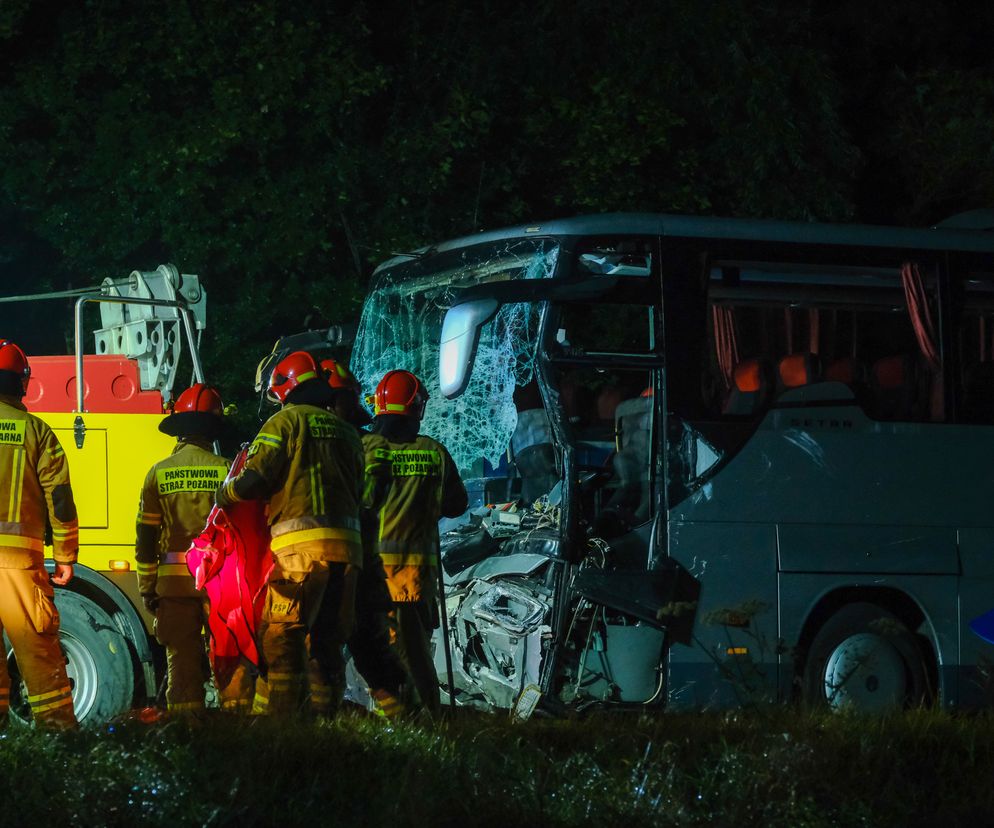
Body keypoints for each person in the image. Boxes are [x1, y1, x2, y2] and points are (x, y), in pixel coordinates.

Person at [216, 350, 363, 716]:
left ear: (284, 388)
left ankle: (283, 729)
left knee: (282, 638)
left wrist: (225, 493)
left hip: (301, 553)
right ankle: (326, 726)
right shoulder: (348, 433)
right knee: (327, 645)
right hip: (348, 553)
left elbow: (255, 480)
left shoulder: (284, 423)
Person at [363, 369, 468, 717]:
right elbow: (457, 504)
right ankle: (428, 718)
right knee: (416, 652)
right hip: (415, 575)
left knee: (375, 651)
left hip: (370, 572)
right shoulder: (434, 452)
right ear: (417, 409)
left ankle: (400, 719)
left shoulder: (365, 448)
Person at [135, 383, 232, 714]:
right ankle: (240, 729)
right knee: (229, 654)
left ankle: (187, 732)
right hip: (220, 584)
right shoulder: (228, 470)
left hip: (174, 585)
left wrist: (148, 587)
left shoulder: (157, 474)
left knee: (182, 660)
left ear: (178, 430)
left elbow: (146, 538)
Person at [320, 358, 407, 719]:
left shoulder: (373, 445)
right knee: (319, 650)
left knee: (371, 652)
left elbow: (368, 499)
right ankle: (323, 727)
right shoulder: (322, 443)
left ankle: (404, 722)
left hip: (364, 567)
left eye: (335, 399)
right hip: (328, 563)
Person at [0, 339, 78, 729]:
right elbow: (60, 500)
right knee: (40, 660)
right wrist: (65, 555)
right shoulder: (36, 431)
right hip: (19, 568)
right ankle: (60, 746)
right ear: (22, 383)